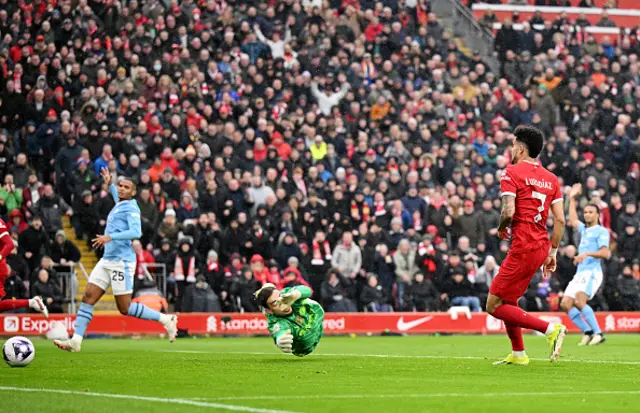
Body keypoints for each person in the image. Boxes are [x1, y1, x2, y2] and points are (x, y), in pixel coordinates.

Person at [54, 168, 177, 352]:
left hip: (122, 262)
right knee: (88, 297)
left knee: (125, 308)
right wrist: (109, 183)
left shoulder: (132, 207)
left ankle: (166, 319)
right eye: (120, 186)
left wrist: (111, 237)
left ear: (133, 192)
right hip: (107, 260)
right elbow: (115, 194)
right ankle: (76, 341)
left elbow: (136, 232)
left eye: (126, 187)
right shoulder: (120, 202)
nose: (121, 189)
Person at [488, 126, 567, 366]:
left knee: (493, 304)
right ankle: (519, 354)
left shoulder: (511, 172)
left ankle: (549, 329)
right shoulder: (551, 179)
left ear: (521, 148)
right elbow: (561, 220)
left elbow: (509, 210)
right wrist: (552, 252)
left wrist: (502, 227)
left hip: (523, 245)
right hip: (541, 246)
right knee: (509, 300)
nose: (511, 149)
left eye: (513, 145)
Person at [562, 183, 610, 346]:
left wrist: (587, 254)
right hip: (580, 273)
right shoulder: (584, 230)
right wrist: (571, 198)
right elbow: (573, 219)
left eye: (591, 212)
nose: (587, 215)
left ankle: (598, 333)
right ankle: (588, 332)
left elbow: (605, 253)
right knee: (565, 303)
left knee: (580, 302)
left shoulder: (601, 232)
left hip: (592, 272)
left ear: (597, 214)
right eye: (586, 212)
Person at [255, 283, 325, 357]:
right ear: (269, 310)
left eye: (280, 297)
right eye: (275, 303)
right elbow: (280, 330)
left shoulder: (287, 295)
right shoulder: (275, 321)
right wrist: (280, 339)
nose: (282, 303)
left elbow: (307, 290)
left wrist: (295, 295)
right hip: (305, 348)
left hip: (317, 322)